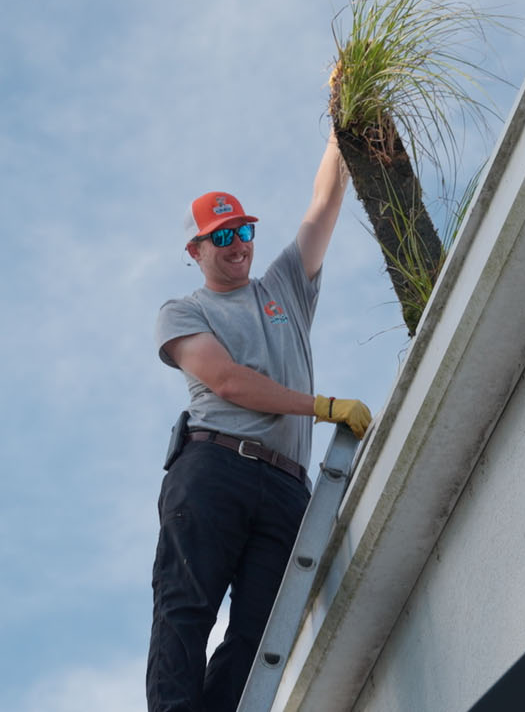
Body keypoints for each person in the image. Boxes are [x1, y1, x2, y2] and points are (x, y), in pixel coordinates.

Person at [147, 131, 373, 712]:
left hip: (283, 487)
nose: (236, 245)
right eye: (221, 237)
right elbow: (228, 383)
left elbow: (323, 204)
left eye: (243, 231)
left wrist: (340, 127)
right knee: (186, 611)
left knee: (259, 634)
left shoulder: (284, 290)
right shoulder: (185, 312)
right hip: (216, 469)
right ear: (195, 251)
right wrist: (320, 408)